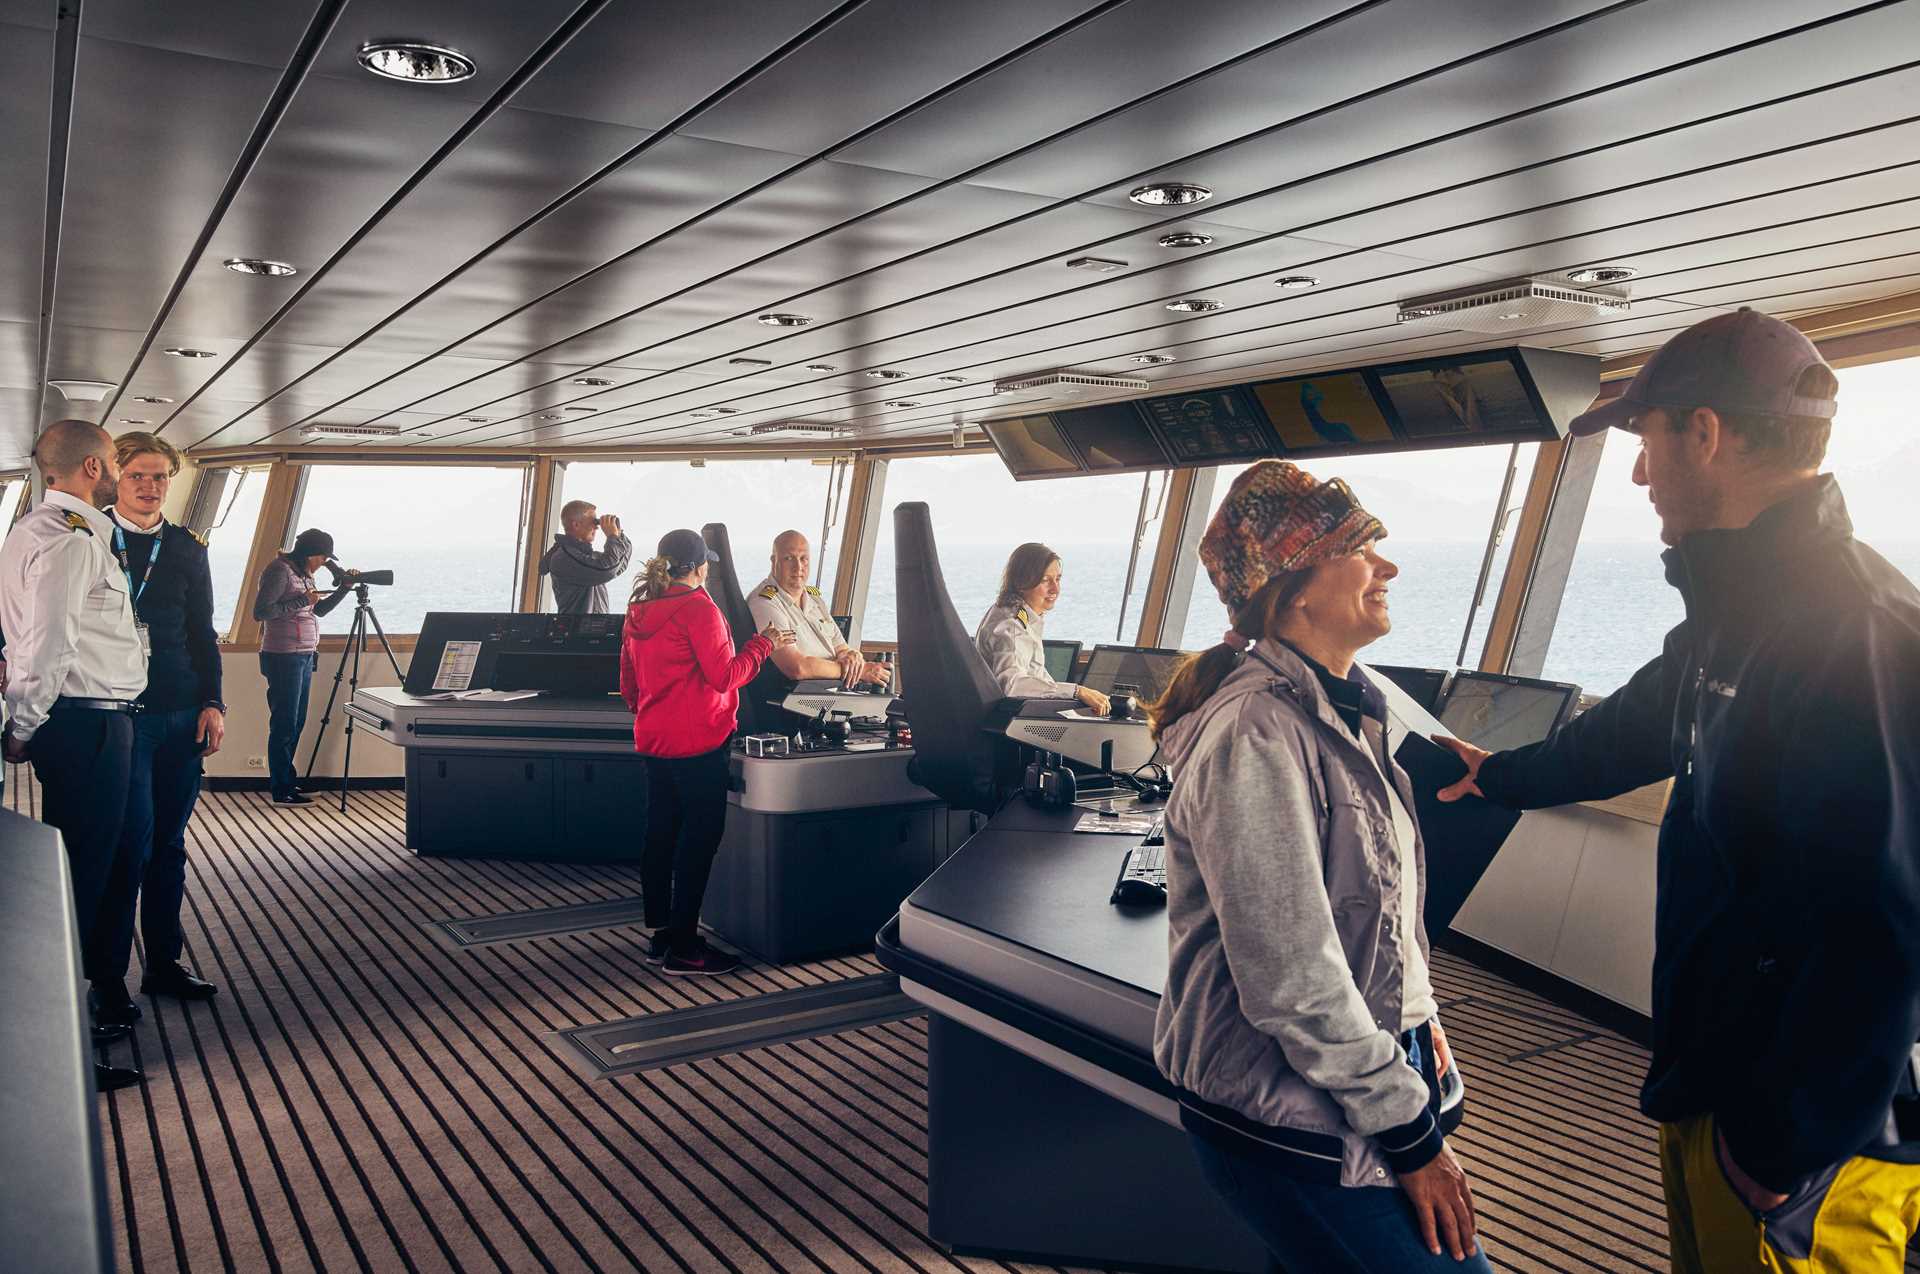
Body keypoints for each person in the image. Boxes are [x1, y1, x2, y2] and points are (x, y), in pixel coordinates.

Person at [1431, 308, 1920, 1273]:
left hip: (1808, 1141)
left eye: (1647, 440)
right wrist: (1502, 776)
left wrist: (1784, 1145)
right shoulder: (1737, 613)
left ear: (1706, 433)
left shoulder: (1857, 633)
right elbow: (1631, 732)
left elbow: (1889, 924)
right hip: (1715, 1079)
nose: (1641, 473)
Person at [1147, 459, 1488, 1273]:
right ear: (1295, 586)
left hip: (1351, 1088)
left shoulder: (1350, 711)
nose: (1389, 566)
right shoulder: (1255, 735)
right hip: (1290, 1117)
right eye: (1363, 547)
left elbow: (1379, 929)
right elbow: (1293, 973)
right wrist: (1409, 1136)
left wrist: (1422, 1044)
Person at [0, 420, 149, 1093]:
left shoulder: (33, 533)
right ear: (93, 467)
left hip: (91, 721)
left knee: (93, 866)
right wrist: (25, 723)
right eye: (116, 461)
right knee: (80, 880)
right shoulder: (69, 542)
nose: (119, 470)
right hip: (85, 724)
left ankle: (71, 1029)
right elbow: (45, 646)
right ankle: (63, 1055)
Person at [619, 528, 792, 977]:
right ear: (699, 567)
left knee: (660, 836)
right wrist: (763, 643)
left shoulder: (638, 610)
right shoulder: (700, 609)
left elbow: (629, 686)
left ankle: (660, 936)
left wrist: (656, 713)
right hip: (699, 743)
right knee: (698, 842)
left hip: (654, 741)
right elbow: (725, 676)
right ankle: (685, 949)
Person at [90, 432, 224, 1007]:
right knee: (130, 843)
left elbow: (203, 633)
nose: (149, 487)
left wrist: (214, 702)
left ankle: (164, 963)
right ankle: (108, 977)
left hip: (182, 713)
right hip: (124, 716)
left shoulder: (189, 548)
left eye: (160, 477)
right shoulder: (89, 538)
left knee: (168, 845)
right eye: (138, 475)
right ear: (115, 477)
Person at [253, 528, 353, 806]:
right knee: (284, 723)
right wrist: (301, 601)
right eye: (323, 557)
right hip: (284, 656)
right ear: (312, 554)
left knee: (296, 722)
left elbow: (317, 610)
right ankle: (281, 789)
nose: (324, 563)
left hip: (305, 654)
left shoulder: (303, 574)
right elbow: (261, 612)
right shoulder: (279, 571)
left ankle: (288, 782)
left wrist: (344, 589)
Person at [974, 542, 1111, 715]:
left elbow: (1036, 675)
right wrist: (1077, 691)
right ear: (1022, 582)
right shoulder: (1011, 626)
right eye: (1045, 580)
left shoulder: (1017, 614)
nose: (1055, 589)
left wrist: (1073, 699)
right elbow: (1012, 685)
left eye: (1058, 579)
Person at [746, 530, 890, 689]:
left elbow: (840, 648)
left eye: (803, 559)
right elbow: (796, 667)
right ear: (774, 561)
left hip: (833, 689)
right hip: (799, 698)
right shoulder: (765, 602)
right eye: (789, 558)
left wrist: (852, 658)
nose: (798, 566)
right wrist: (859, 671)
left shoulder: (814, 599)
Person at [540, 499, 632, 614]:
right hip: (577, 630)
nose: (597, 527)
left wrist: (619, 534)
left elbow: (619, 565)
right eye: (594, 522)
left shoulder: (587, 557)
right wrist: (612, 537)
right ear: (576, 525)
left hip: (593, 628)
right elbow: (607, 570)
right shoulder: (563, 558)